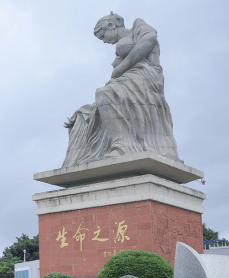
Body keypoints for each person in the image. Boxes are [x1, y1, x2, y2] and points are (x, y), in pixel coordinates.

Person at [62, 13, 178, 167]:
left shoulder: (138, 26)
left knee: (105, 93)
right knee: (85, 113)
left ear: (110, 26)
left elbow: (150, 39)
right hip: (130, 78)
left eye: (103, 35)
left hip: (147, 75)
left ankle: (122, 147)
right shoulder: (120, 49)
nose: (104, 41)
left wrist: (122, 66)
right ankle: (84, 153)